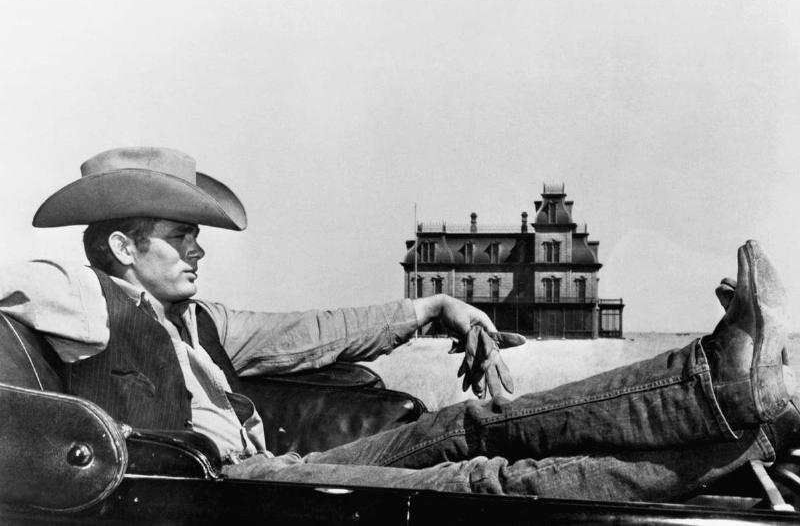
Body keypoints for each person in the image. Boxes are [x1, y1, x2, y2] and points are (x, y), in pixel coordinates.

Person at [2, 146, 797, 502]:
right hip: (237, 489)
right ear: (119, 243)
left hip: (277, 465)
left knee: (474, 423)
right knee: (477, 481)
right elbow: (21, 303)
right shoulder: (75, 295)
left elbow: (316, 328)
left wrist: (431, 306)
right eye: (180, 236)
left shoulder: (202, 319)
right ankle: (723, 432)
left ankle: (720, 398)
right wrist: (99, 280)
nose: (198, 248)